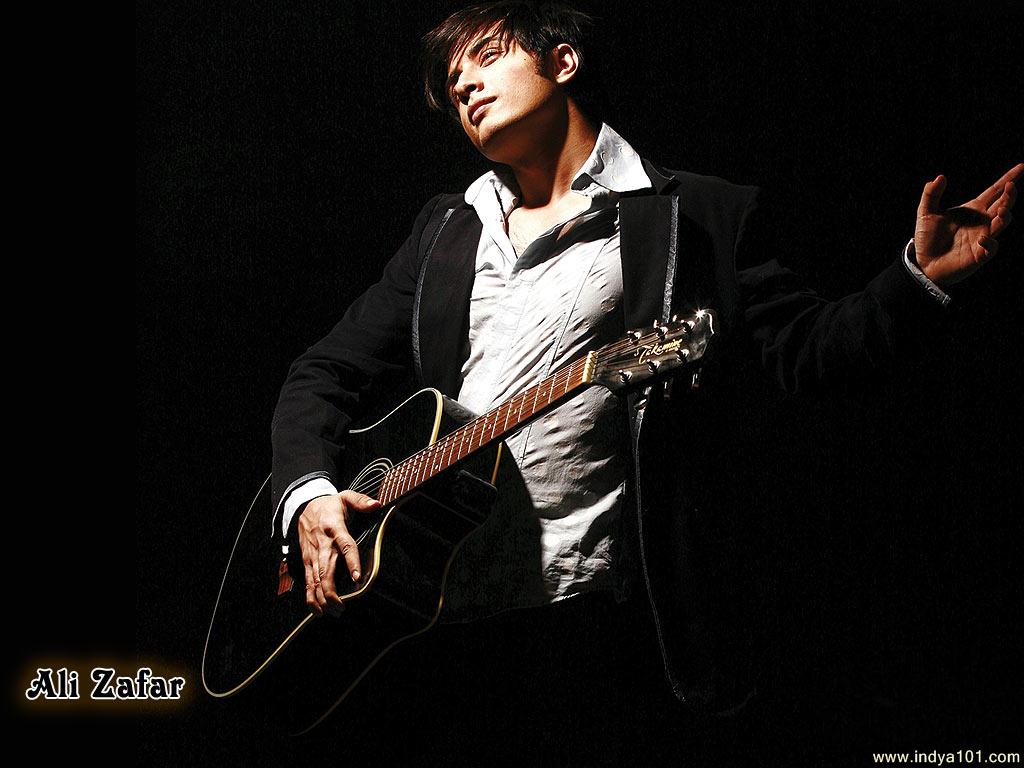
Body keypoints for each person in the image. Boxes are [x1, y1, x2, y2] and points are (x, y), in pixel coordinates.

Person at [268, 1, 1019, 759]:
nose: (463, 85)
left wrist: (918, 280)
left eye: (487, 58)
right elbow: (323, 372)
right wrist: (308, 492)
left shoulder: (697, 213)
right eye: (452, 79)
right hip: (432, 622)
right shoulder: (444, 231)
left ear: (563, 62)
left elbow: (812, 351)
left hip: (594, 615)